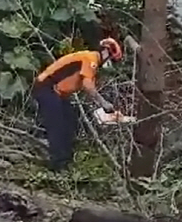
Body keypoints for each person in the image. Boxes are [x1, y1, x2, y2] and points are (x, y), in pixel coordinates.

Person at [33, 37, 123, 171]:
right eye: (111, 60)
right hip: (47, 87)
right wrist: (103, 103)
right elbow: (87, 86)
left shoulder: (89, 62)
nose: (110, 64)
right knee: (58, 125)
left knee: (70, 121)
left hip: (57, 93)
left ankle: (67, 159)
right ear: (105, 53)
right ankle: (58, 165)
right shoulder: (90, 59)